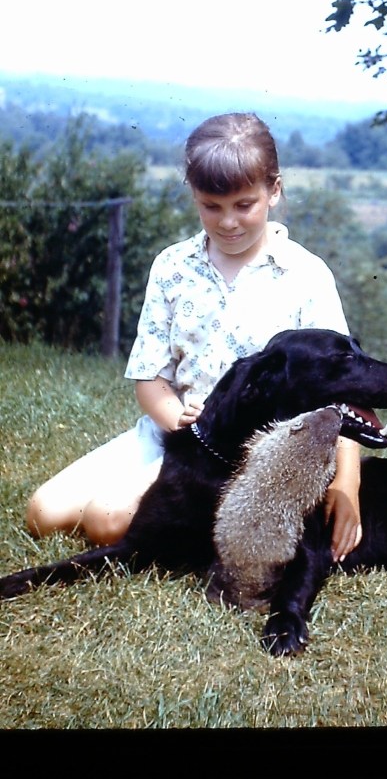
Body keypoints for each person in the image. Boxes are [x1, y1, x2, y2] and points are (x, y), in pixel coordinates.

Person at [26, 112, 362, 562]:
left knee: (106, 523)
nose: (227, 222)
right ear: (194, 196)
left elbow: (344, 388)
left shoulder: (305, 275)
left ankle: (207, 527)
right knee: (42, 514)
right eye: (211, 206)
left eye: (244, 205)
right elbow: (151, 378)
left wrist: (347, 484)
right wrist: (173, 417)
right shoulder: (172, 267)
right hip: (178, 434)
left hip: (252, 457)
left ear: (274, 191)